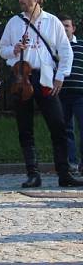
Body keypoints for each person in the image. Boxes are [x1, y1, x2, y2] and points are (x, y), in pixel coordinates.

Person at [0, 0, 83, 187]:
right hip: (20, 77)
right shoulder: (14, 22)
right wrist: (14, 49)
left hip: (44, 77)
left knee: (58, 125)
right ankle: (33, 174)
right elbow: (2, 48)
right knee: (25, 128)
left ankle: (64, 173)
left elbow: (65, 51)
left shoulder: (52, 22)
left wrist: (60, 76)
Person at [59, 14, 83, 174]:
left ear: (73, 28)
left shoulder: (81, 46)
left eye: (67, 26)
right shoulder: (55, 47)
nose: (64, 29)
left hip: (81, 94)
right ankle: (72, 163)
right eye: (61, 26)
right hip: (60, 94)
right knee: (65, 130)